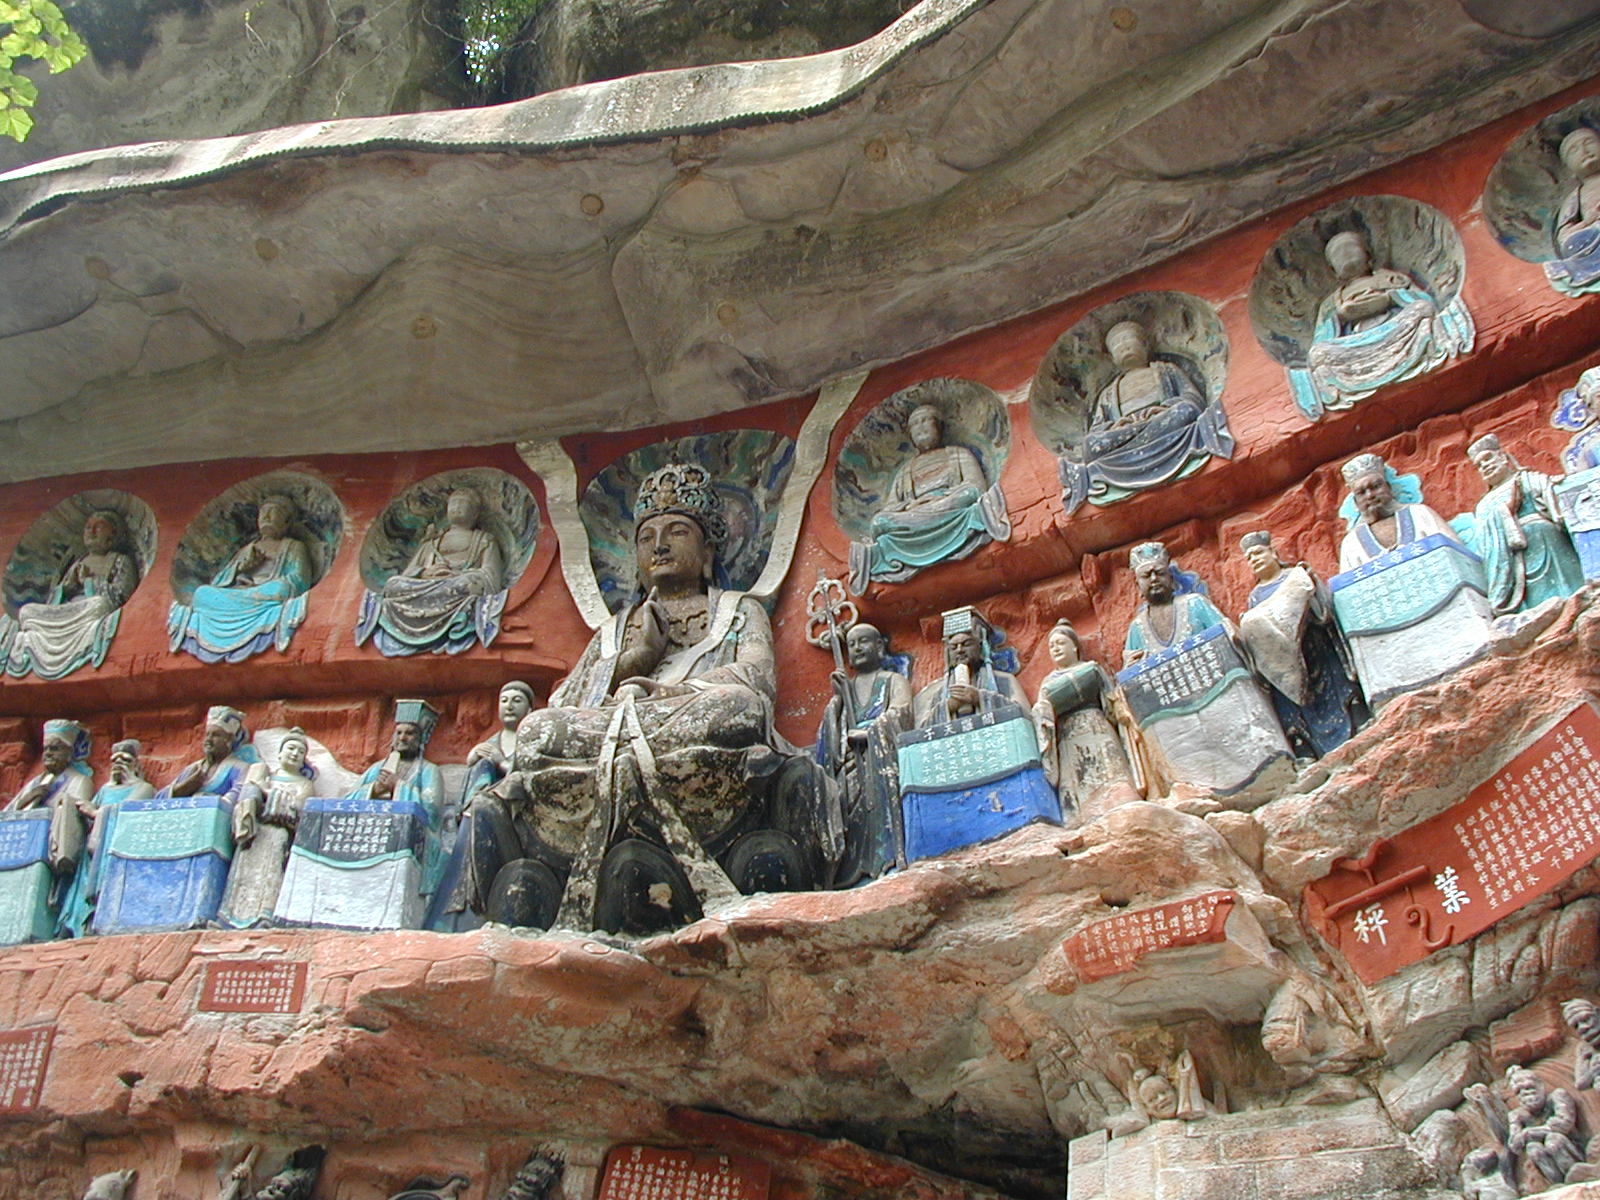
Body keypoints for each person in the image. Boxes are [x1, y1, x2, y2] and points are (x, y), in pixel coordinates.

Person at [469, 462, 802, 931]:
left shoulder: (737, 610)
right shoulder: (617, 627)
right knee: (536, 730)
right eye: (647, 538)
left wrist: (666, 691)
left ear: (708, 550)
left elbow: (755, 678)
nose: (659, 546)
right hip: (614, 730)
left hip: (688, 722)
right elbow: (568, 702)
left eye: (677, 532)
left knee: (737, 708)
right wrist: (636, 659)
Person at [1292, 230, 1472, 418]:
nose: (1345, 255)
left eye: (1350, 248)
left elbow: (1425, 302)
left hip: (1397, 328)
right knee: (1318, 353)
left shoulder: (1391, 279)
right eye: (1338, 254)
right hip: (1356, 344)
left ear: (1368, 255)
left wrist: (1390, 298)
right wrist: (1341, 317)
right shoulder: (1331, 303)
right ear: (1333, 270)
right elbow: (1322, 338)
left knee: (1422, 308)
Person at [1060, 319, 1233, 511]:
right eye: (1118, 345)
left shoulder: (1167, 370)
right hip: (1126, 432)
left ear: (1145, 345)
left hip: (1162, 421)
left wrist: (1162, 410)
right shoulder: (1108, 393)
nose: (1125, 347)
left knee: (1185, 411)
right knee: (1090, 444)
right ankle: (1137, 442)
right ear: (1112, 358)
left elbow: (1192, 400)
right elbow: (1098, 429)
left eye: (1129, 340)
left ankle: (1149, 436)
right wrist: (1120, 426)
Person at [848, 404, 1009, 592]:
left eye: (925, 421)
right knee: (878, 522)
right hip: (915, 515)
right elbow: (890, 507)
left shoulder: (958, 454)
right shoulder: (905, 471)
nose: (921, 427)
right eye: (915, 424)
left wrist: (940, 498)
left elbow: (975, 487)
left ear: (938, 426)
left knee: (969, 497)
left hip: (948, 507)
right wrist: (912, 506)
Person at [1236, 531, 1367, 759]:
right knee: (1284, 691)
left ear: (1273, 552)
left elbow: (1323, 612)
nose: (1254, 560)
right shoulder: (1255, 597)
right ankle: (1304, 744)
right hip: (1284, 658)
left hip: (1314, 642)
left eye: (1258, 553)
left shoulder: (1295, 575)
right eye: (1249, 558)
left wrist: (1310, 590)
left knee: (1335, 675)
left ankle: (1356, 712)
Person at [425, 681, 534, 930]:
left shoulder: (530, 742)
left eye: (517, 701)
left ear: (529, 710)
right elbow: (475, 772)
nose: (509, 706)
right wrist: (473, 759)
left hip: (512, 815)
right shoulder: (490, 743)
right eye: (504, 701)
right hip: (476, 815)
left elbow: (530, 779)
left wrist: (502, 763)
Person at [814, 623, 912, 884]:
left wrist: (872, 733)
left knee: (879, 797)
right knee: (843, 805)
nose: (857, 648)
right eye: (851, 644)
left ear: (879, 646)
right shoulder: (846, 688)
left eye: (863, 641)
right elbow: (829, 734)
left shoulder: (893, 680)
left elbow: (901, 713)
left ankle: (886, 859)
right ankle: (850, 870)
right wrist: (838, 702)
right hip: (849, 764)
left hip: (880, 757)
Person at [356, 487, 507, 655]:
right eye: (453, 503)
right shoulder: (432, 542)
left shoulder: (484, 540)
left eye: (463, 504)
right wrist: (424, 573)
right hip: (427, 584)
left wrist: (459, 575)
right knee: (392, 584)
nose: (456, 507)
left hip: (458, 583)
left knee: (471, 583)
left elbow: (490, 573)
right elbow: (409, 571)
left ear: (474, 514)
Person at [168, 495, 314, 662]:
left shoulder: (293, 546)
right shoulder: (248, 549)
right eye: (263, 513)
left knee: (281, 588)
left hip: (266, 590)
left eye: (273, 512)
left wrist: (269, 583)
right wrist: (241, 568)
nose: (266, 517)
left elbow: (299, 578)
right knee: (202, 592)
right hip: (239, 593)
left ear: (286, 522)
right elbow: (219, 582)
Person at [1, 509, 138, 680]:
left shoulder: (119, 560)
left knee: (99, 605)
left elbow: (122, 593)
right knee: (26, 611)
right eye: (88, 527)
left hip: (89, 608)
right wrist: (66, 588)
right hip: (67, 611)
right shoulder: (78, 562)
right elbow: (55, 600)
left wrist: (89, 582)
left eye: (98, 527)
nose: (91, 531)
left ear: (113, 534)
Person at [1030, 619, 1139, 822]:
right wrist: (1044, 709)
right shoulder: (1048, 681)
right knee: (1076, 782)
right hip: (1067, 735)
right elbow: (1041, 713)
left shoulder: (1092, 668)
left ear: (1074, 646)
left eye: (1061, 643)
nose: (1056, 649)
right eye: (1052, 646)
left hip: (1095, 725)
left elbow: (1111, 699)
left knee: (1110, 773)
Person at [1464, 433, 1584, 614]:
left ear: (1503, 457)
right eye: (1479, 465)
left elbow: (1557, 504)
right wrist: (1505, 511)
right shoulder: (1484, 505)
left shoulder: (1529, 479)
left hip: (1549, 540)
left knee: (1569, 582)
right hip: (1516, 558)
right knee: (1535, 596)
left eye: (1488, 458)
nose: (1485, 466)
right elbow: (1487, 543)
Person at [217, 729, 316, 929]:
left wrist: (269, 793)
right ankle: (228, 916)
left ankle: (265, 913)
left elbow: (299, 806)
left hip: (279, 832)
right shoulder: (266, 776)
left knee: (270, 872)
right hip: (255, 830)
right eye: (291, 748)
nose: (295, 754)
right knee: (242, 870)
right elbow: (247, 795)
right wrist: (257, 794)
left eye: (300, 752)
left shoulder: (304, 784)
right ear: (279, 754)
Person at [347, 700, 446, 897]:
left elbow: (432, 809)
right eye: (399, 732)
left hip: (408, 834)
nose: (403, 738)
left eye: (410, 733)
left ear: (421, 738)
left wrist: (398, 787)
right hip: (371, 831)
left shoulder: (429, 771)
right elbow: (348, 800)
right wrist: (373, 790)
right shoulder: (377, 769)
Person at [57, 739, 153, 937]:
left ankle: (101, 919)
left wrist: (95, 813)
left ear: (136, 766)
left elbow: (126, 813)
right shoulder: (105, 790)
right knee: (81, 886)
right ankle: (76, 925)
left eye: (125, 760)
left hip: (115, 849)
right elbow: (89, 812)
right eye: (115, 760)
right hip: (92, 850)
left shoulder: (143, 788)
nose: (119, 764)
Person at [1337, 453, 1463, 570]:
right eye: (1361, 493)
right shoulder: (1351, 542)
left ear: (1389, 488)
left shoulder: (1420, 514)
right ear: (1356, 502)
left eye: (1375, 487)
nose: (1370, 495)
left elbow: (1455, 551)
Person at [7, 719, 93, 876]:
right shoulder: (36, 783)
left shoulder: (79, 780)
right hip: (24, 845)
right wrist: (28, 798)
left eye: (55, 749)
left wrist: (58, 806)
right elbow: (7, 814)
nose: (48, 753)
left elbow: (76, 818)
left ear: (69, 753)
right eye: (45, 749)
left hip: (49, 847)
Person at [912, 609, 1025, 728]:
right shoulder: (938, 693)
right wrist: (948, 707)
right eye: (953, 647)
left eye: (966, 644)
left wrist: (980, 698)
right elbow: (922, 730)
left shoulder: (1003, 680)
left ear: (980, 647)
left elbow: (1023, 715)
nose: (959, 650)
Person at [1122, 542, 1227, 665]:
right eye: (1146, 576)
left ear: (1171, 578)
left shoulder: (1195, 603)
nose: (1154, 579)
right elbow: (1131, 669)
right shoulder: (1137, 627)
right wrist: (1129, 665)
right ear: (1137, 585)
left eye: (1160, 573)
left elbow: (1226, 637)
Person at [1506, 1065, 1586, 1187]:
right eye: (1519, 1091)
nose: (1525, 1093)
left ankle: (1576, 1177)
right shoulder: (1517, 1115)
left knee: (1553, 1140)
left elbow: (1564, 1124)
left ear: (1540, 1085)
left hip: (1571, 1148)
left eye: (1529, 1087)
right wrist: (1529, 1134)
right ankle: (1558, 1183)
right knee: (1533, 1148)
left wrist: (1529, 1133)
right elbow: (1514, 1144)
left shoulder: (1557, 1096)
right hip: (1545, 1154)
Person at [1547, 125, 1600, 295]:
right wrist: (1589, 220)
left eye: (1589, 142)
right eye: (1574, 150)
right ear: (1568, 168)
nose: (1584, 151)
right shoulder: (1576, 196)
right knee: (1574, 243)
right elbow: (1564, 236)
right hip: (1595, 232)